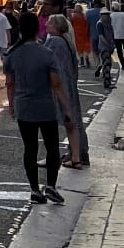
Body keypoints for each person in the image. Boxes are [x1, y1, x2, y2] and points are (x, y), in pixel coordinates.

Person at [4, 9, 72, 204]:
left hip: (24, 106)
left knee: (30, 149)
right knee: (52, 148)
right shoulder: (46, 53)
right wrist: (66, 109)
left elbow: (10, 83)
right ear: (36, 29)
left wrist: (11, 106)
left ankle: (34, 189)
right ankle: (50, 185)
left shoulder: (12, 54)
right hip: (46, 106)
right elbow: (56, 85)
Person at [43, 13, 87, 170]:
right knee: (71, 123)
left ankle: (53, 157)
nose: (46, 25)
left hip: (59, 86)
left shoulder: (53, 41)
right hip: (69, 84)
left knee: (54, 122)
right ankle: (76, 158)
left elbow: (44, 61)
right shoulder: (67, 41)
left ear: (56, 26)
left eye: (49, 23)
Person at [93, 2, 118, 87]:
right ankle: (107, 82)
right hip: (104, 47)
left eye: (108, 14)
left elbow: (112, 34)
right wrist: (108, 45)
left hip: (109, 47)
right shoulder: (100, 24)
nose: (107, 16)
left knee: (108, 64)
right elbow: (101, 37)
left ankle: (107, 81)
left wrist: (113, 44)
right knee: (106, 64)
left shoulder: (108, 23)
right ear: (102, 15)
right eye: (106, 15)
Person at [71, 1, 92, 70]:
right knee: (85, 45)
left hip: (77, 32)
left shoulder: (73, 15)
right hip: (84, 32)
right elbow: (87, 23)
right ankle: (87, 59)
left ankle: (82, 60)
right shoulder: (83, 15)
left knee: (79, 46)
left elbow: (72, 24)